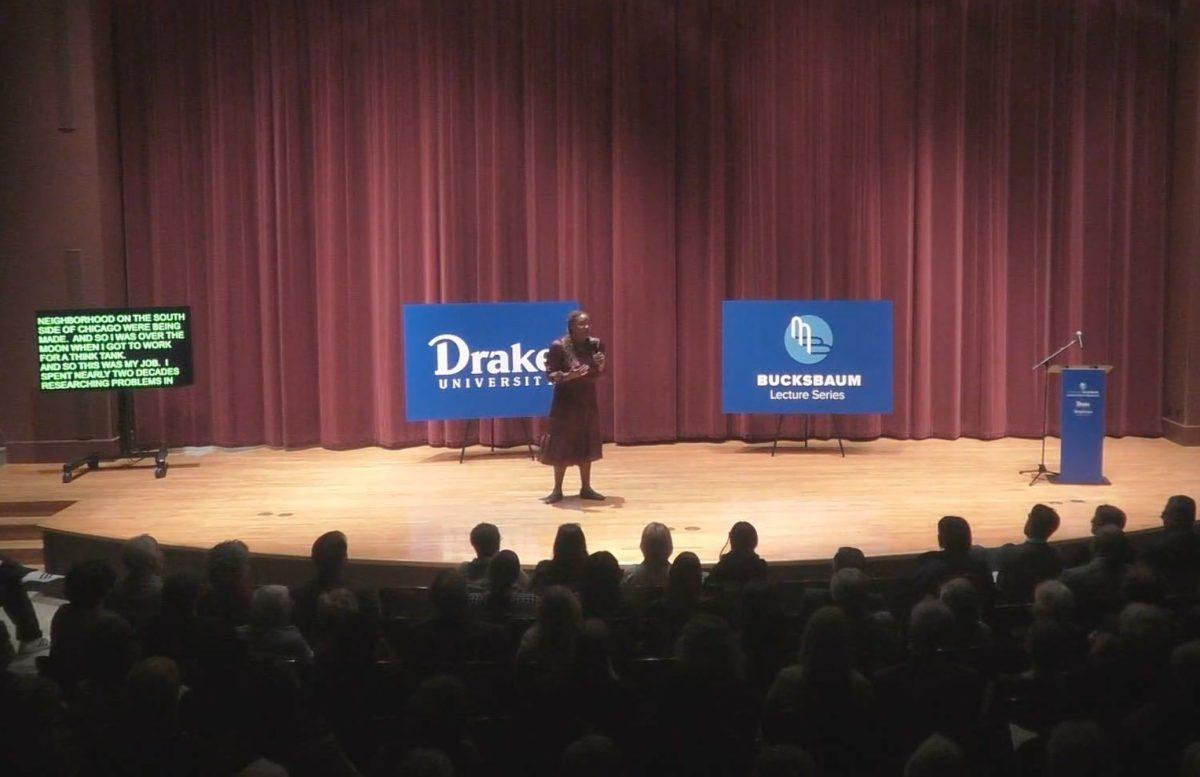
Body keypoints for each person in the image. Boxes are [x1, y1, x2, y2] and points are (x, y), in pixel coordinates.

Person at [540, 310, 607, 503]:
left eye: (588, 324)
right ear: (571, 326)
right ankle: (557, 490)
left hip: (587, 401)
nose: (586, 327)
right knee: (561, 443)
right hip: (565, 403)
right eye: (581, 324)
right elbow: (550, 375)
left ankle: (586, 487)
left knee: (586, 441)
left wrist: (601, 366)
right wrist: (570, 376)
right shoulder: (559, 346)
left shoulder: (595, 345)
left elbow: (597, 374)